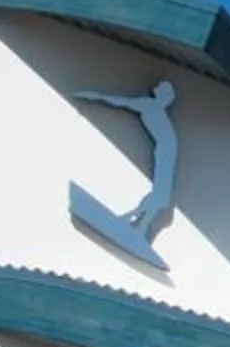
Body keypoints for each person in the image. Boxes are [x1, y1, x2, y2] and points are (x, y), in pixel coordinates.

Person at [74, 81, 179, 237]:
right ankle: (137, 225)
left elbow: (122, 102)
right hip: (166, 149)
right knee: (160, 197)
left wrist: (97, 96)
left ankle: (136, 225)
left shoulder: (150, 105)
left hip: (167, 150)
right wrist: (97, 96)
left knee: (160, 197)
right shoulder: (149, 105)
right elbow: (122, 102)